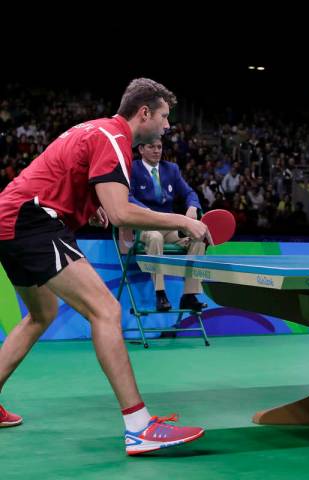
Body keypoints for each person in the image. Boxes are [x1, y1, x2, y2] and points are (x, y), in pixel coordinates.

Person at [0, 78, 210, 453]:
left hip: (10, 218)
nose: (167, 126)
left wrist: (88, 203)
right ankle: (139, 427)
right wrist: (184, 221)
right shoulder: (114, 140)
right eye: (163, 117)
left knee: (41, 313)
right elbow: (120, 212)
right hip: (33, 222)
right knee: (106, 310)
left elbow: (71, 177)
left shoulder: (96, 129)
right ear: (144, 113)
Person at [129, 139, 207, 312]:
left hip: (169, 228)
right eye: (151, 146)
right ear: (141, 149)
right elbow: (127, 197)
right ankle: (160, 294)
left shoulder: (171, 169)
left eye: (159, 147)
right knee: (155, 237)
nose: (157, 151)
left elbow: (189, 192)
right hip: (145, 226)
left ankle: (189, 295)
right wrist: (148, 212)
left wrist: (193, 206)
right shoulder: (132, 168)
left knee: (198, 240)